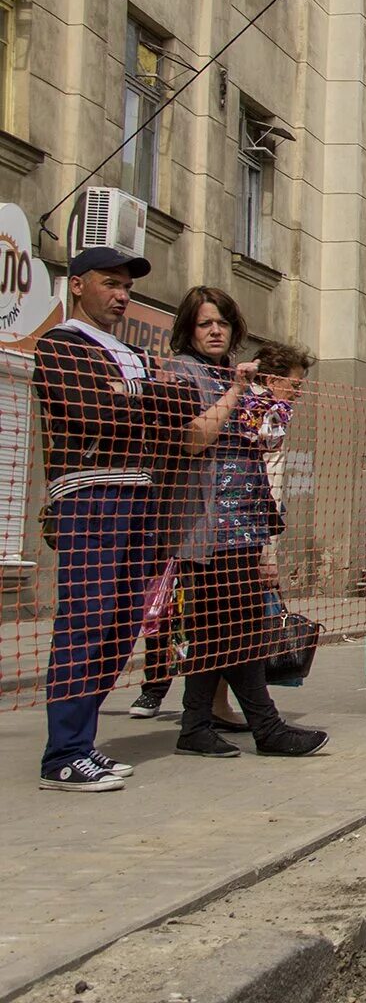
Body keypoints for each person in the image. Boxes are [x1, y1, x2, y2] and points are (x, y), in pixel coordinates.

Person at [33, 248, 194, 790]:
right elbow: (88, 412)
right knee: (86, 619)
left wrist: (141, 398)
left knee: (124, 624)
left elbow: (180, 412)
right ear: (78, 286)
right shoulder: (61, 345)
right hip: (90, 493)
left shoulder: (131, 353)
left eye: (126, 286)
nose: (121, 295)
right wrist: (149, 401)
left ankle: (83, 740)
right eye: (110, 283)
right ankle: (63, 753)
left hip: (140, 496)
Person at [160, 289, 327, 758]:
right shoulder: (183, 372)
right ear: (188, 331)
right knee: (239, 627)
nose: (215, 331)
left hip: (244, 523)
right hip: (207, 527)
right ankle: (265, 727)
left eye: (224, 324)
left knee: (220, 629)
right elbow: (192, 440)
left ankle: (196, 726)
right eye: (204, 324)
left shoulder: (226, 374)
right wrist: (236, 391)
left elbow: (260, 443)